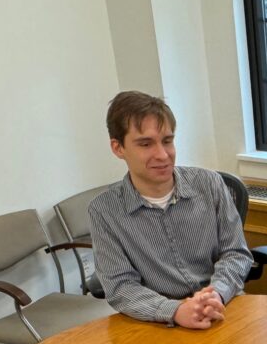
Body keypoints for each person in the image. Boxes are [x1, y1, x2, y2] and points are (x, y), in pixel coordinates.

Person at [88, 91, 253, 329]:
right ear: (118, 148)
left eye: (167, 141)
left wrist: (215, 294)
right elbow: (120, 287)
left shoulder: (209, 183)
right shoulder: (104, 211)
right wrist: (175, 311)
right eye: (145, 144)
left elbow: (236, 253)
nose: (163, 155)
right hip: (156, 322)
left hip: (220, 308)